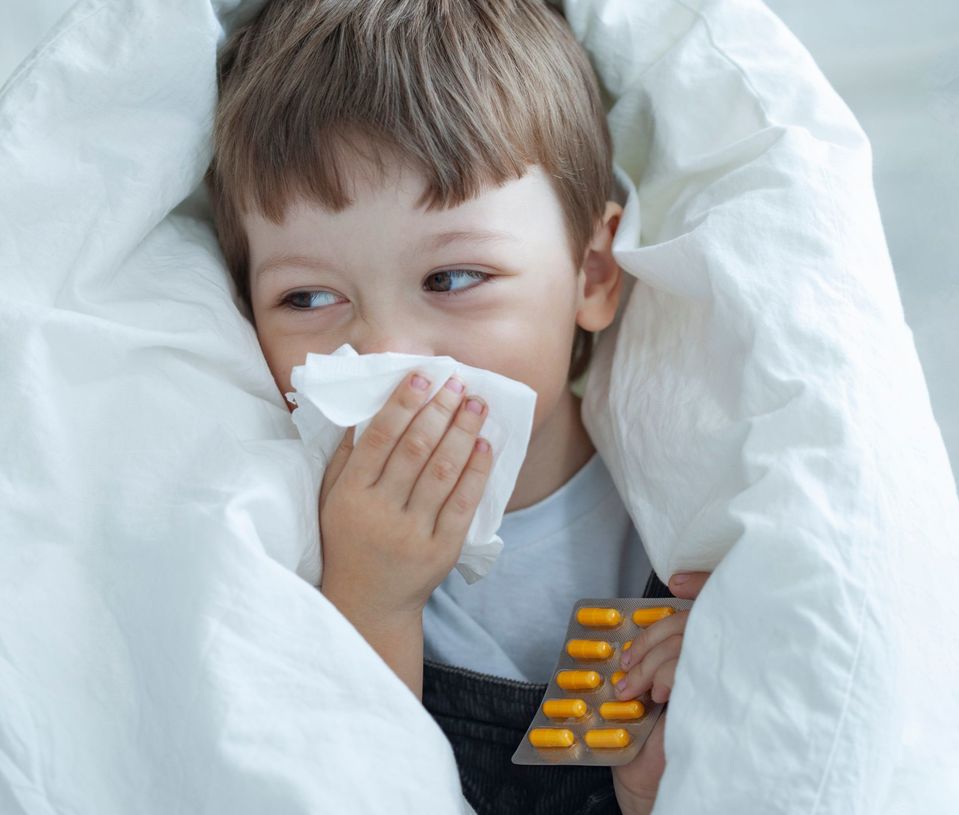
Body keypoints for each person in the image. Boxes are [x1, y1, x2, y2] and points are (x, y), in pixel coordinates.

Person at [205, 1, 709, 812]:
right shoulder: (300, 534)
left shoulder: (675, 525)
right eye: (307, 295)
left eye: (453, 278)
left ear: (592, 273)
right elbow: (337, 779)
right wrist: (373, 599)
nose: (386, 350)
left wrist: (665, 777)